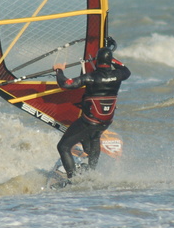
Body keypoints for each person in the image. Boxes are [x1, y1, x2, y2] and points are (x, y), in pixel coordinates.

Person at [52, 38, 131, 185]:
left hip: (89, 121)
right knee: (94, 139)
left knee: (63, 147)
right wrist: (112, 58)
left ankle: (73, 180)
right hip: (105, 121)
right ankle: (91, 173)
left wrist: (59, 70)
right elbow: (126, 70)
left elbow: (66, 84)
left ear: (96, 62)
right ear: (110, 62)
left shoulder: (91, 77)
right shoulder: (118, 75)